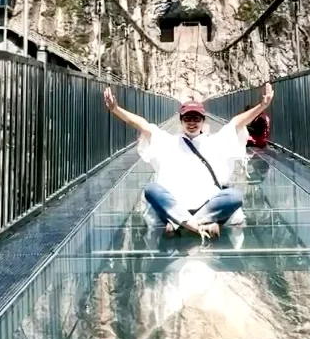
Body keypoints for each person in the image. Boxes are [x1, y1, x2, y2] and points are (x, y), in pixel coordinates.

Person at [102, 83, 274, 239]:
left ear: (203, 120)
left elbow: (236, 123)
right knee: (151, 189)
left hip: (207, 204)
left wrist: (263, 105)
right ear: (181, 120)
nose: (192, 122)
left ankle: (183, 224)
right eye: (187, 118)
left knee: (234, 196)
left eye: (196, 118)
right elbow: (142, 125)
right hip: (175, 204)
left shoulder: (214, 141)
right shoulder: (168, 141)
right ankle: (199, 224)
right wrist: (116, 109)